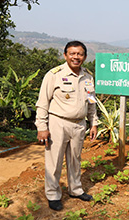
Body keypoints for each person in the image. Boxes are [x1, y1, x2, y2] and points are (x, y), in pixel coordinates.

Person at [35, 41, 98, 211]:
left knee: (75, 160)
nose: (76, 57)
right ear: (65, 55)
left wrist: (94, 123)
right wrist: (42, 127)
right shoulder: (54, 74)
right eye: (72, 53)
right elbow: (42, 103)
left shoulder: (88, 76)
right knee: (54, 161)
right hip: (58, 122)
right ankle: (53, 194)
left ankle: (75, 190)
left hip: (79, 124)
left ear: (84, 57)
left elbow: (91, 102)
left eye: (80, 54)